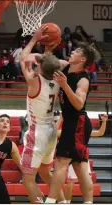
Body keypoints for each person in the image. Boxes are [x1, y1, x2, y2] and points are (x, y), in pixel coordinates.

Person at [20, 25, 67, 203]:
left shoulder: (34, 81)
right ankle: (63, 202)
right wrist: (49, 48)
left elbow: (23, 59)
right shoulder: (57, 80)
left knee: (28, 180)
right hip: (51, 132)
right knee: (46, 172)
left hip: (37, 133)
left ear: (39, 67)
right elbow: (53, 63)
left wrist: (34, 39)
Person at [45, 42, 96, 204]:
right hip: (71, 123)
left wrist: (65, 86)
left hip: (78, 123)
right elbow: (46, 60)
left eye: (77, 51)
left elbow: (79, 104)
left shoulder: (83, 79)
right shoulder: (65, 66)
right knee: (80, 166)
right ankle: (88, 202)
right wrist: (45, 46)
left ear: (82, 59)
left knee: (61, 162)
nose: (72, 51)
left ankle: (51, 201)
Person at [56, 114, 108, 203]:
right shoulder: (67, 132)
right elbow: (55, 131)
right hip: (70, 157)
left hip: (82, 157)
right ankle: (67, 202)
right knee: (70, 184)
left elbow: (100, 133)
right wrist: (60, 118)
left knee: (84, 183)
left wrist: (104, 122)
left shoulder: (83, 132)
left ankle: (87, 202)